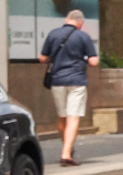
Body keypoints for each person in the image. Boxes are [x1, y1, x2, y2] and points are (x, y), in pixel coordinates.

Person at [39, 10, 98, 166]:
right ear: (80, 23)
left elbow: (42, 58)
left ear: (67, 20)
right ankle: (66, 153)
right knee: (73, 116)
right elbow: (94, 62)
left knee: (62, 115)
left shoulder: (53, 34)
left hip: (57, 80)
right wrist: (83, 58)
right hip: (77, 80)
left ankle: (66, 147)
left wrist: (56, 57)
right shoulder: (83, 36)